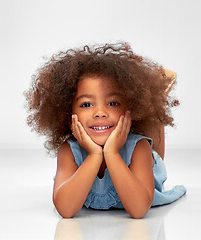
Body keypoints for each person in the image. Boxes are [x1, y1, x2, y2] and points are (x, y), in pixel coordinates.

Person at [24, 42, 186, 219]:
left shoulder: (139, 148)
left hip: (145, 164)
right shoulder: (69, 151)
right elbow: (66, 209)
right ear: (68, 116)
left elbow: (139, 210)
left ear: (130, 109)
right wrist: (94, 155)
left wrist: (112, 153)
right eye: (86, 104)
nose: (100, 113)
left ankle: (157, 100)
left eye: (112, 103)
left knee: (156, 152)